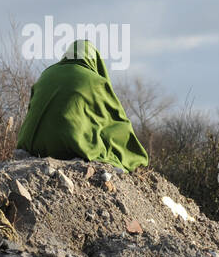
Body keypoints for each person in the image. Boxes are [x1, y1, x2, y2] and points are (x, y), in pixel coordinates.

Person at [14, 39, 149, 171]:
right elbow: (115, 120)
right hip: (71, 146)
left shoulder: (46, 74)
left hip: (33, 146)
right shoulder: (94, 80)